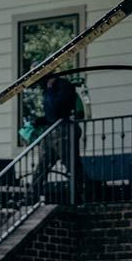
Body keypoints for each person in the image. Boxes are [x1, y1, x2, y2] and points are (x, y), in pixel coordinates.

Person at [28, 71, 84, 202]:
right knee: (42, 166)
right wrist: (38, 121)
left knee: (71, 164)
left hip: (63, 131)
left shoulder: (63, 86)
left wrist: (51, 89)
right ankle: (32, 196)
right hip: (51, 132)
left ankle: (81, 195)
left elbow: (58, 109)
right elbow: (51, 115)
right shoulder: (48, 90)